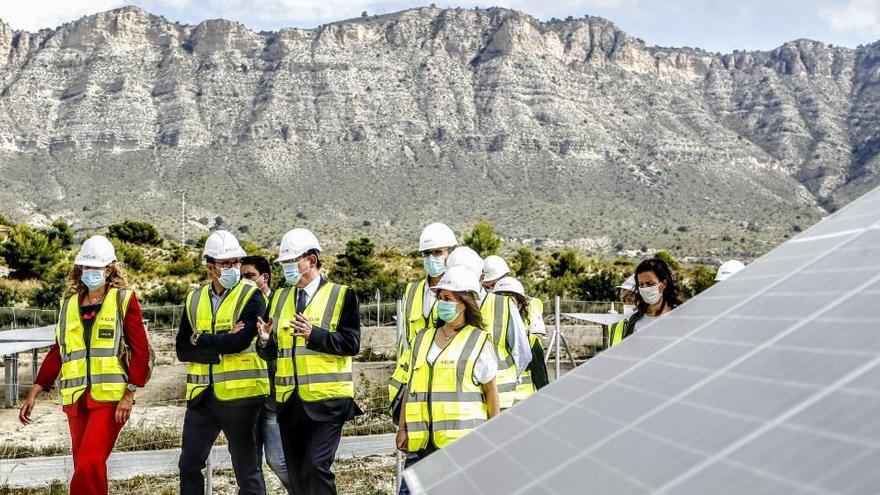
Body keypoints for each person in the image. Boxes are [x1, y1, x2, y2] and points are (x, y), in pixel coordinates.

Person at [19, 235, 150, 495]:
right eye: (86, 267)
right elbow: (59, 350)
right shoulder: (68, 305)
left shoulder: (124, 300)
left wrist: (129, 394)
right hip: (76, 398)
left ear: (110, 268)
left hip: (111, 399)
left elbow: (141, 351)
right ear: (79, 269)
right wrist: (37, 388)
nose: (91, 272)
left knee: (90, 462)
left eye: (97, 267)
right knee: (84, 464)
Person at [256, 228, 362, 495]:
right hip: (290, 404)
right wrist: (266, 341)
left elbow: (351, 344)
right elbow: (271, 354)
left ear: (311, 260)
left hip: (328, 402)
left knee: (316, 467)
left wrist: (315, 335)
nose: (287, 269)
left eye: (292, 263)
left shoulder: (342, 295)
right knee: (298, 475)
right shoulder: (279, 298)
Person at [176, 230, 268, 495]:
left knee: (247, 470)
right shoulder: (194, 299)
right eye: (226, 263)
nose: (233, 268)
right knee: (189, 464)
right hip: (202, 397)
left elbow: (238, 343)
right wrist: (218, 344)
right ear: (210, 266)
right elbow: (182, 349)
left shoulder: (252, 296)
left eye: (236, 263)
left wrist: (200, 338)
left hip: (242, 397)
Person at [396, 266, 500, 495]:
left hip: (462, 448)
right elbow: (410, 387)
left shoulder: (478, 341)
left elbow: (491, 393)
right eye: (439, 297)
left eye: (447, 298)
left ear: (464, 302)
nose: (440, 302)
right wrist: (402, 427)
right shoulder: (422, 339)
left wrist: (495, 436)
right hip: (421, 445)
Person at [388, 223, 456, 420]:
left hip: (445, 381)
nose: (431, 258)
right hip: (413, 382)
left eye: (437, 252)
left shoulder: (460, 292)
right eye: (426, 253)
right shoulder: (412, 291)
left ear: (450, 254)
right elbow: (406, 339)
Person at [242, 255, 291, 492]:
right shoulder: (238, 307)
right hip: (248, 395)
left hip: (273, 396)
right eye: (242, 276)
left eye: (249, 276)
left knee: (277, 459)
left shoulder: (281, 305)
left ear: (265, 278)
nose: (244, 281)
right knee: (249, 465)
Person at [493, 277, 549, 402]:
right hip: (498, 402)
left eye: (510, 301)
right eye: (501, 300)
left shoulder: (531, 340)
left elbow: (540, 376)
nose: (505, 305)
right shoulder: (487, 335)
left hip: (523, 402)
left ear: (519, 305)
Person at [621, 258, 683, 339]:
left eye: (650, 284)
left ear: (664, 284)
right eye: (641, 284)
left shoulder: (680, 317)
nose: (645, 288)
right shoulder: (635, 320)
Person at [607, 275, 638, 348]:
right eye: (624, 300)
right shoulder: (617, 325)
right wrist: (615, 321)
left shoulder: (646, 324)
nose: (627, 304)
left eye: (630, 300)